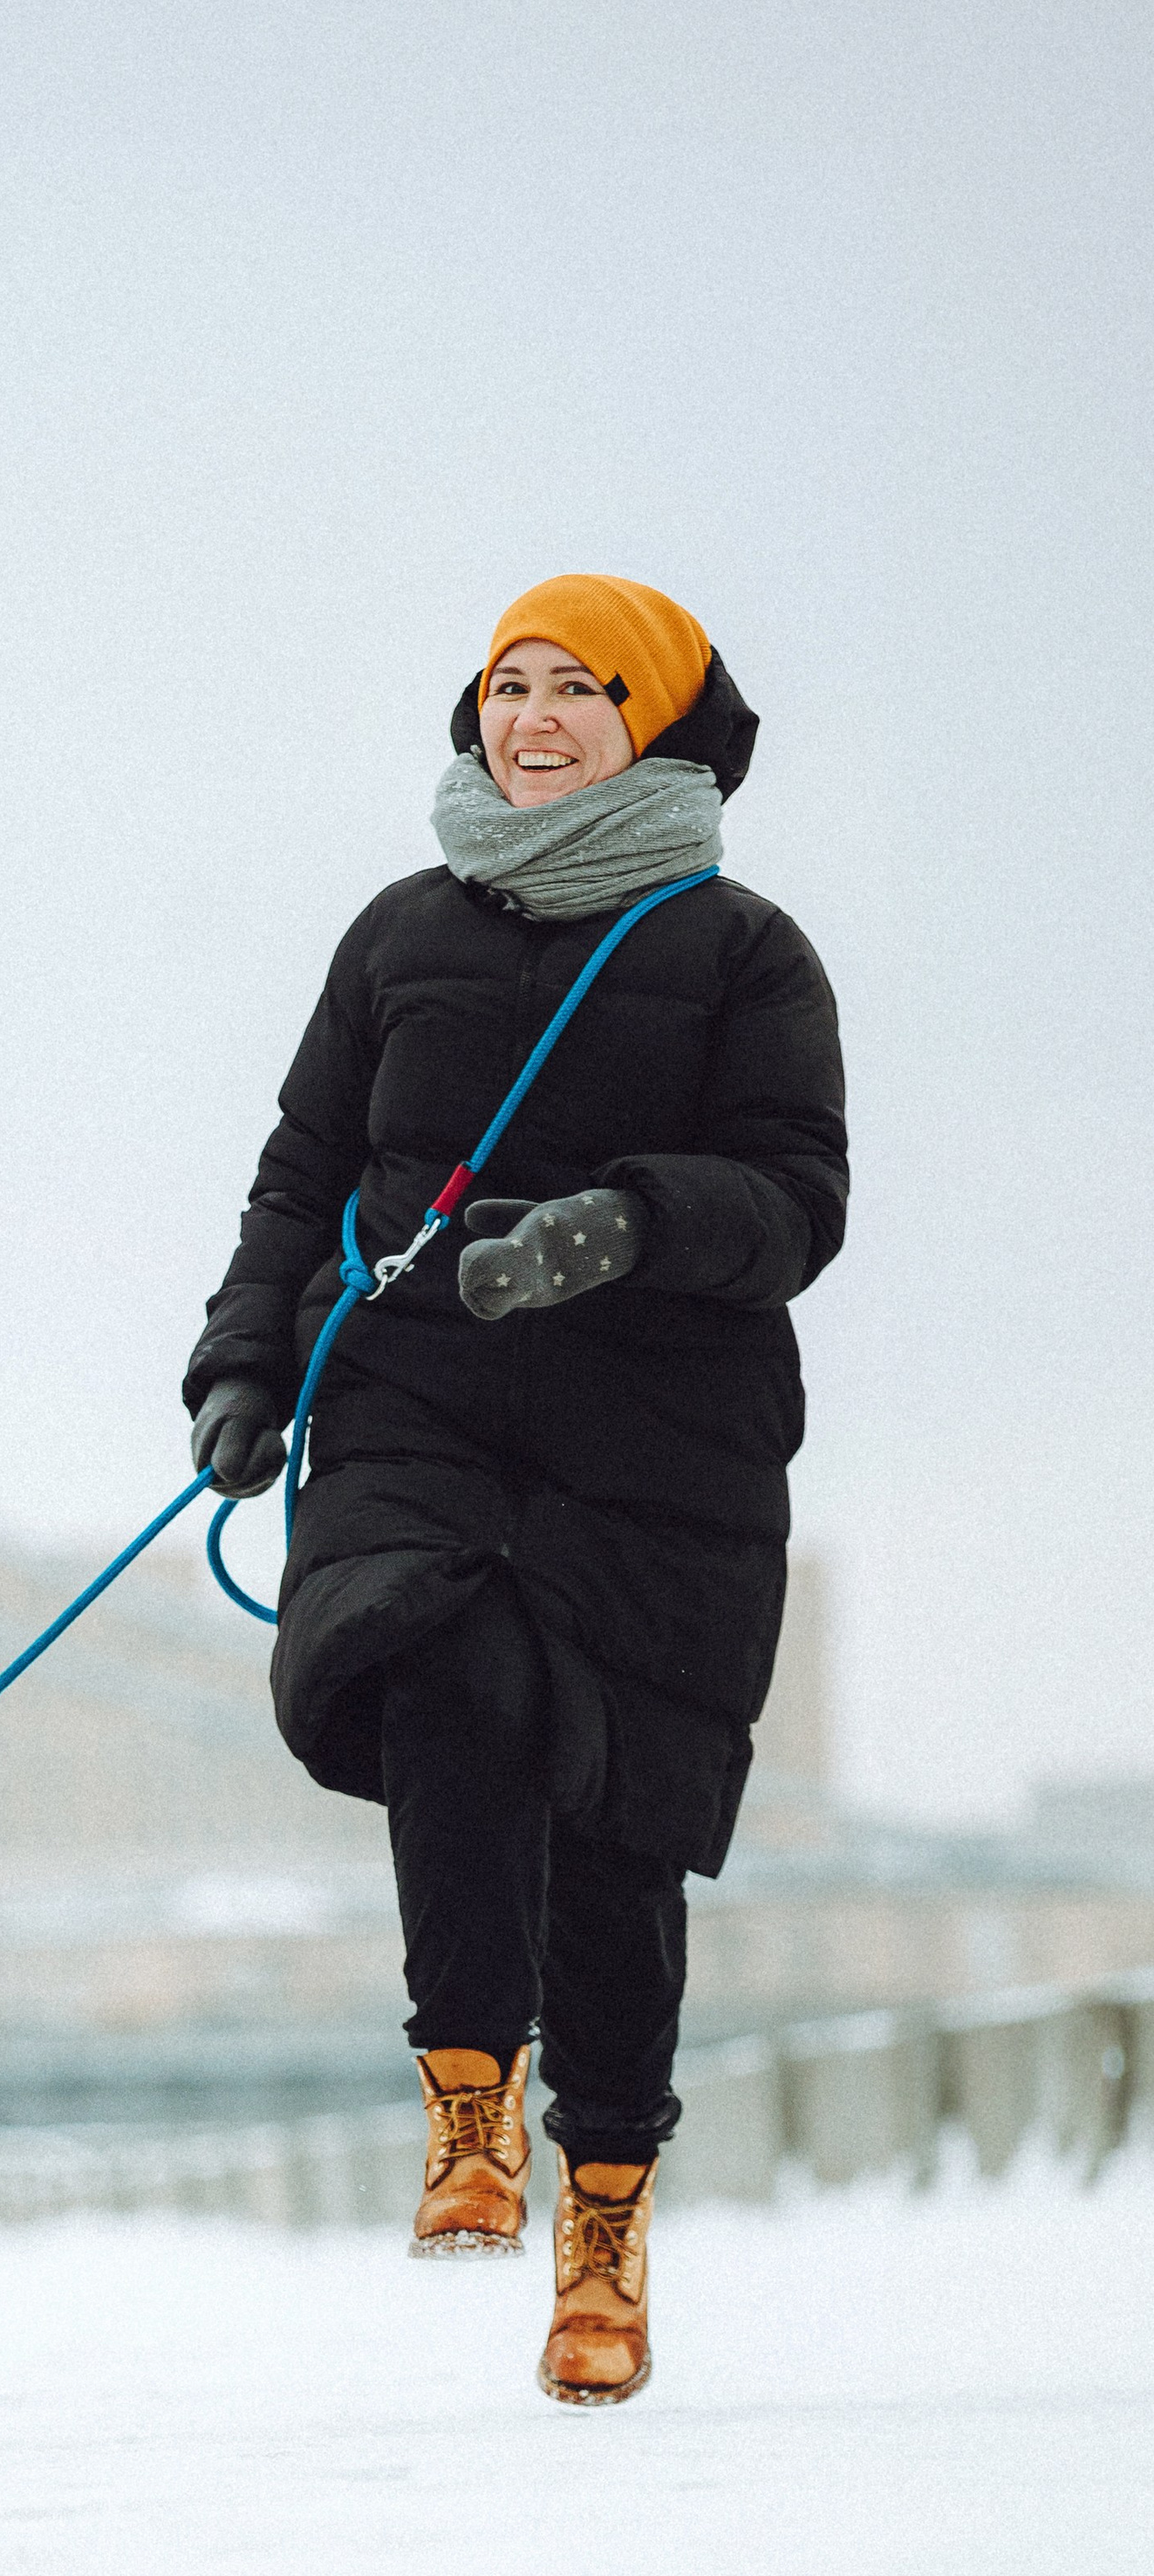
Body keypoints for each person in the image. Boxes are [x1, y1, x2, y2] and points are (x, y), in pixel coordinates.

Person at [185, 575, 846, 2404]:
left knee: (615, 1838)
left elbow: (797, 1203)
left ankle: (604, 2215)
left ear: (654, 724)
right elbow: (300, 1169)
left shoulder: (740, 953)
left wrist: (619, 1225)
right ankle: (465, 2089)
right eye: (504, 686)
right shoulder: (398, 932)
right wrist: (242, 1364)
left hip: (660, 1446)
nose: (529, 716)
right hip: (412, 1400)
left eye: (576, 689)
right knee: (433, 1664)